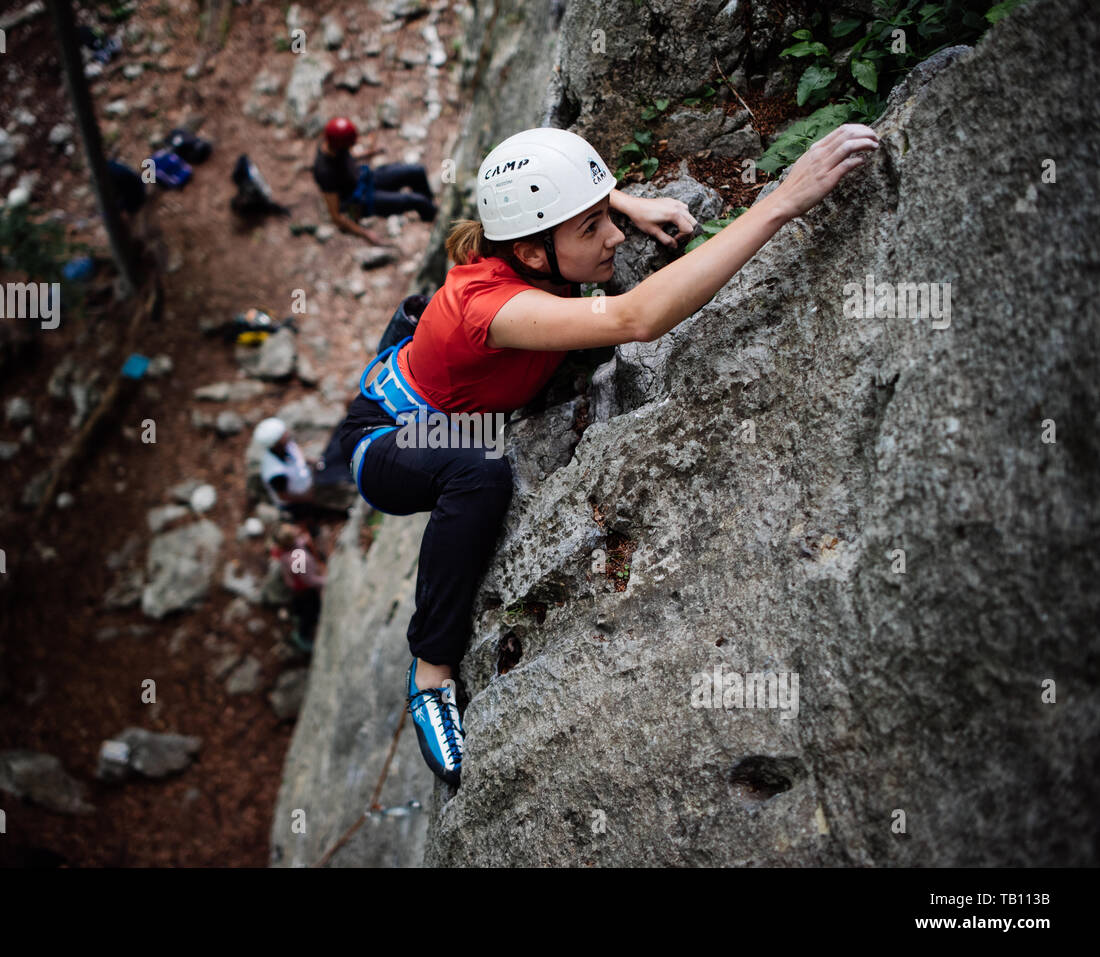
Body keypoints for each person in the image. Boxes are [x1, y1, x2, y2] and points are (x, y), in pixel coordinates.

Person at [334, 123, 881, 787]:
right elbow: (634, 319)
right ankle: (430, 674)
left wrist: (625, 201)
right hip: (390, 435)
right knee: (478, 465)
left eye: (603, 220)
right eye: (593, 228)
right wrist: (782, 202)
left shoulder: (529, 249)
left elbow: (549, 216)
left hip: (427, 359)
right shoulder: (492, 309)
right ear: (535, 255)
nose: (614, 240)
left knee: (486, 384)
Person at [312, 116, 438, 247]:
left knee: (417, 171)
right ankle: (438, 221)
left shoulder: (328, 143)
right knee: (417, 201)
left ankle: (429, 213)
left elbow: (348, 155)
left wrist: (369, 153)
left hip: (366, 177)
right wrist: (366, 234)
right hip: (361, 200)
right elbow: (336, 216)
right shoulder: (324, 172)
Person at [268, 522, 327, 653]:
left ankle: (297, 618)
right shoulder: (298, 559)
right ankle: (302, 637)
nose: (296, 528)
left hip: (296, 588)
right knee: (309, 613)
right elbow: (308, 580)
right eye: (293, 530)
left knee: (299, 608)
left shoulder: (283, 550)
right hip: (304, 591)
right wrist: (326, 581)